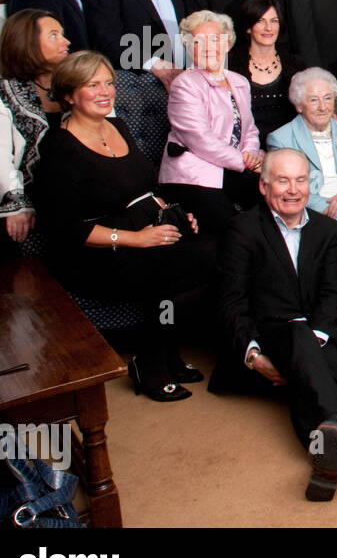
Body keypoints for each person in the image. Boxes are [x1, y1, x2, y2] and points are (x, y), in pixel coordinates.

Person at [35, 51, 214, 402]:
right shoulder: (58, 148)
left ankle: (163, 354)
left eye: (109, 83)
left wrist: (170, 213)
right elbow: (67, 229)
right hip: (92, 256)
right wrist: (138, 238)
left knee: (214, 251)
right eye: (93, 85)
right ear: (69, 95)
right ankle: (152, 360)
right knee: (172, 267)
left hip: (139, 236)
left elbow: (142, 188)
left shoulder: (118, 127)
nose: (105, 91)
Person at [216, 148, 337, 502]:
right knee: (296, 336)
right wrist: (253, 355)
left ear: (311, 184)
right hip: (268, 339)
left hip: (320, 337)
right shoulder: (242, 229)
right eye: (282, 180)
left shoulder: (327, 230)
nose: (293, 190)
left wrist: (316, 337)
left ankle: (328, 461)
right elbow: (231, 303)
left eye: (301, 180)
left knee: (305, 344)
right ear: (263, 186)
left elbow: (333, 296)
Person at [267, 67, 337, 333]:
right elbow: (287, 188)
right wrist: (332, 208)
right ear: (298, 105)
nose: (322, 106)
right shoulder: (281, 138)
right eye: (313, 99)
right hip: (313, 207)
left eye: (328, 98)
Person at [0, 10, 69, 260]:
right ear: (27, 43)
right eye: (54, 35)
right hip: (18, 191)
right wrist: (18, 205)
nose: (66, 42)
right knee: (4, 236)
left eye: (63, 34)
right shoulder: (1, 95)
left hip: (68, 193)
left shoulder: (76, 86)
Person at [158, 10, 262, 236]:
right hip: (192, 175)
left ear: (227, 43)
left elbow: (250, 129)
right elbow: (200, 139)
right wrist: (243, 162)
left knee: (271, 195)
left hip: (230, 169)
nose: (207, 47)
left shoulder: (239, 81)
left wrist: (251, 152)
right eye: (198, 41)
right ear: (188, 46)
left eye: (215, 39)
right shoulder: (184, 84)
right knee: (232, 228)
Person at [229, 0, 307, 147]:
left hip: (290, 146)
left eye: (274, 21)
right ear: (248, 27)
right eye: (260, 21)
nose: (269, 28)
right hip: (244, 148)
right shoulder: (230, 63)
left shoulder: (296, 63)